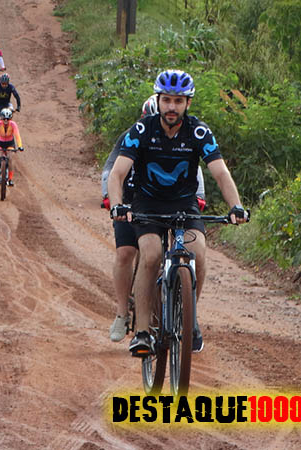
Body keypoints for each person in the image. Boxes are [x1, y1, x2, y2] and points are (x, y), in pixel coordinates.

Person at [108, 70, 247, 355]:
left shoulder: (198, 132)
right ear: (158, 100)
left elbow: (220, 173)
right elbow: (117, 173)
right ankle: (142, 332)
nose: (172, 107)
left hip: (184, 203)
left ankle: (189, 319)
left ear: (188, 103)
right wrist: (118, 204)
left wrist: (236, 206)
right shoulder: (141, 130)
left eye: (179, 101)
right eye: (167, 100)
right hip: (147, 203)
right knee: (150, 255)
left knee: (198, 252)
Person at [103, 95, 207, 343]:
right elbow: (110, 171)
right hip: (129, 202)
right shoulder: (133, 136)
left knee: (178, 247)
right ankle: (122, 313)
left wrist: (200, 197)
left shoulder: (181, 138)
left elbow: (195, 170)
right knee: (126, 253)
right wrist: (111, 200)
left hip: (165, 202)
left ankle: (182, 309)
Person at [0, 108, 23, 186]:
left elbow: (17, 136)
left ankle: (10, 179)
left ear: (10, 119)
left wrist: (20, 146)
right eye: (4, 119)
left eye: (8, 119)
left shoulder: (13, 125)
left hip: (10, 143)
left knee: (10, 159)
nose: (6, 120)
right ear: (1, 118)